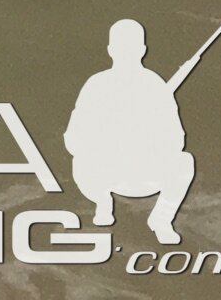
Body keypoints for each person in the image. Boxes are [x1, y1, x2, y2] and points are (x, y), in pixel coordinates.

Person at [66, 18, 199, 246]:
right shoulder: (96, 85)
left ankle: (161, 219)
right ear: (111, 50)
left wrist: (146, 140)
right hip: (104, 172)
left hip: (145, 173)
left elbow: (176, 140)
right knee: (80, 161)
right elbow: (73, 137)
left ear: (142, 50)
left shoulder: (155, 86)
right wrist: (106, 143)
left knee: (184, 162)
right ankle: (102, 202)